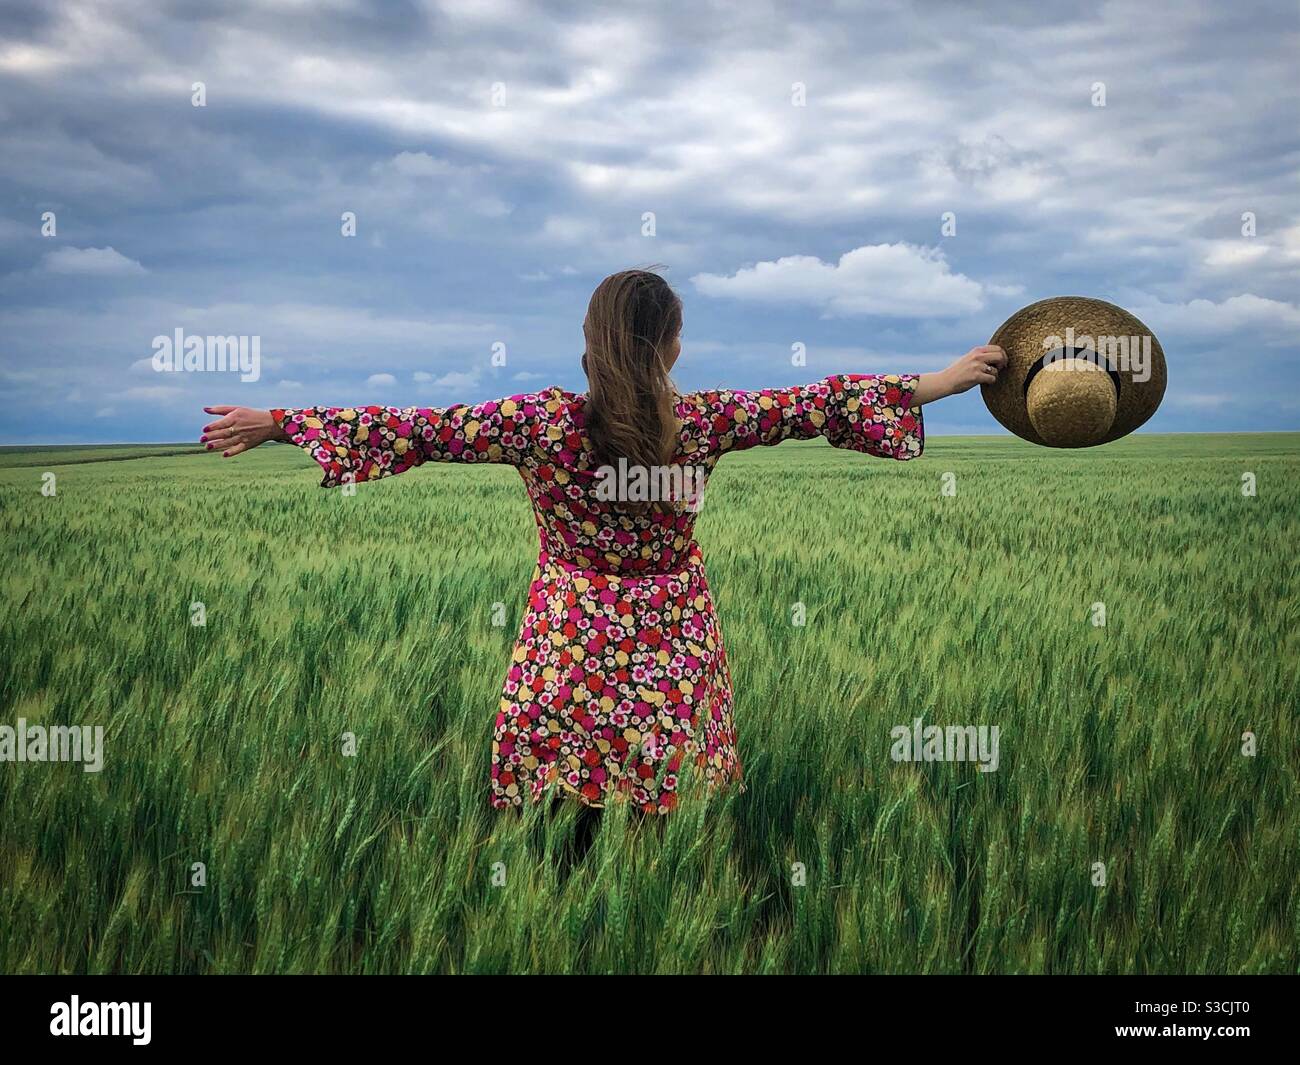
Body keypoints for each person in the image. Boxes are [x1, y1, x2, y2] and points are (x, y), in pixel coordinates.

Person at [200, 269, 1005, 826]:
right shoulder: (705, 421)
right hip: (673, 643)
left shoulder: (540, 423)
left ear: (590, 338)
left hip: (567, 644)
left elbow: (419, 428)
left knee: (558, 819)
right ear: (675, 346)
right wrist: (945, 376)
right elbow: (822, 404)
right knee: (666, 807)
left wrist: (279, 420)